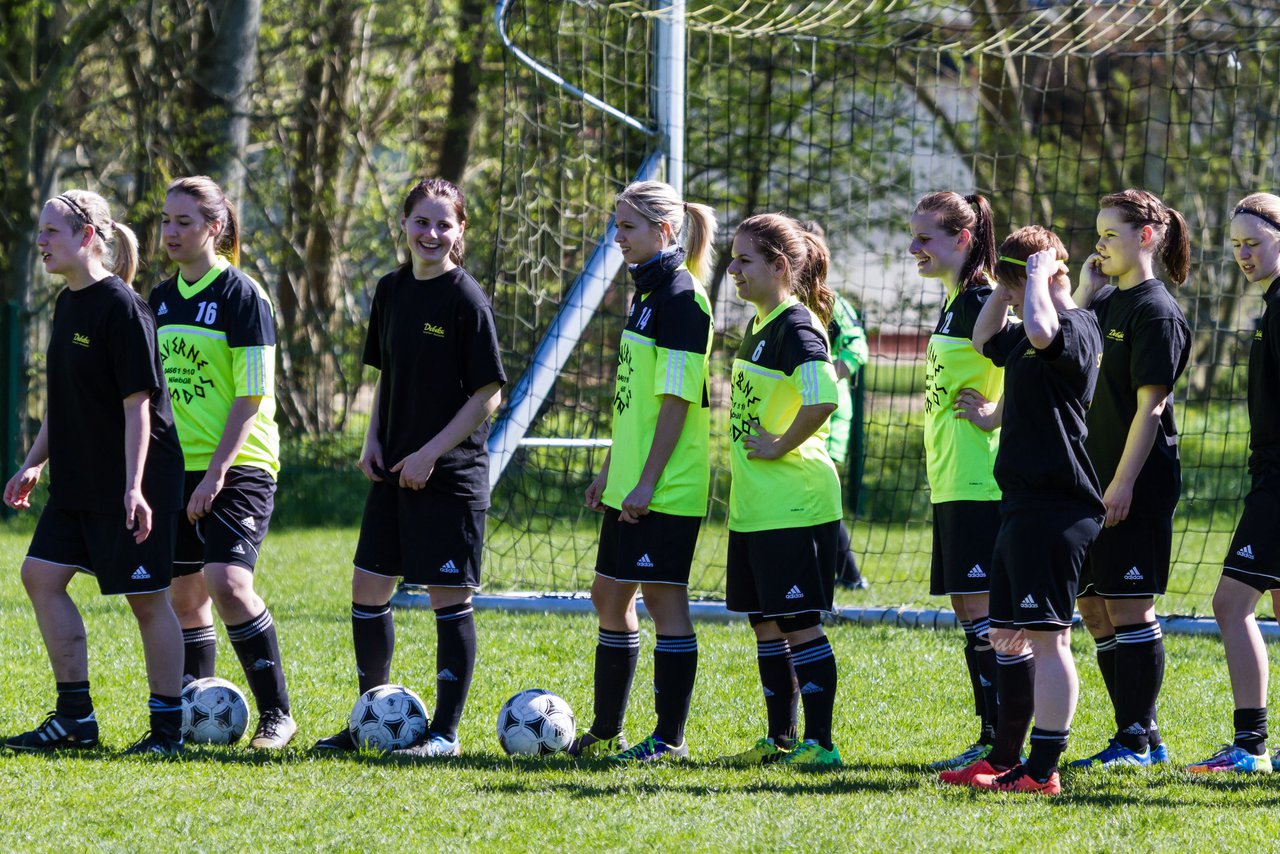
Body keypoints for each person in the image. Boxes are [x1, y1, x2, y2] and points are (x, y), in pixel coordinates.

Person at [314, 178, 506, 756]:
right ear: (404, 225)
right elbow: (386, 375)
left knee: (449, 597)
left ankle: (444, 732)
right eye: (421, 222)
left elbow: (488, 394)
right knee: (368, 587)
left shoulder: (466, 299)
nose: (431, 233)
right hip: (393, 472)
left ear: (460, 231)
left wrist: (430, 454)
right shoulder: (390, 290)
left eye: (443, 224)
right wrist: (373, 439)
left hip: (450, 477)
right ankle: (370, 718)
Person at [3, 190, 187, 756]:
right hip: (79, 478)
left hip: (135, 481)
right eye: (39, 231)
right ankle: (75, 720)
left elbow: (139, 406)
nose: (40, 242)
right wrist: (35, 462)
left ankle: (165, 731)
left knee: (148, 599)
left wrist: (134, 487)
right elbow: (65, 402)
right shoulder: (66, 303)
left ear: (87, 237)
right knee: (40, 576)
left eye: (51, 232)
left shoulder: (123, 307)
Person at [568, 181, 716, 763]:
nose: (618, 236)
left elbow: (678, 402)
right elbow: (634, 400)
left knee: (663, 602)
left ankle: (670, 739)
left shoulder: (683, 298)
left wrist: (649, 482)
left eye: (628, 226)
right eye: (616, 224)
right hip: (631, 484)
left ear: (665, 230)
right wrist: (611, 471)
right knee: (609, 595)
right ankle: (609, 731)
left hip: (666, 487)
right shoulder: (647, 295)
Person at [149, 175, 295, 749]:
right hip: (173, 467)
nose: (171, 232)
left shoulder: (242, 295)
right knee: (185, 597)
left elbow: (250, 395)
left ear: (215, 227)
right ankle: (197, 707)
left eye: (184, 222)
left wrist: (215, 475)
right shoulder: (158, 300)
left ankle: (277, 715)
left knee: (228, 582)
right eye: (165, 221)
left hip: (240, 464)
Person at [962, 233, 1105, 795]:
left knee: (1050, 639)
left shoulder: (1077, 327)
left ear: (1044, 279)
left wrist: (1039, 278)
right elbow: (984, 338)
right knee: (1005, 634)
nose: (1012, 299)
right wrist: (1004, 285)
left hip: (1056, 505)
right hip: (1020, 503)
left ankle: (1044, 769)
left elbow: (1045, 331)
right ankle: (1007, 759)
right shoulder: (1024, 331)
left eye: (1014, 286)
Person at [1069, 189, 1191, 768]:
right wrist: (1084, 291)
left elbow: (1151, 411)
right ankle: (1141, 732)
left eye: (1110, 235)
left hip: (1133, 482)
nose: (1099, 244)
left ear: (1145, 237)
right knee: (1094, 609)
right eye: (1098, 233)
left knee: (1128, 607)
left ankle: (1136, 740)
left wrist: (1121, 484)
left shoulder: (1156, 310)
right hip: (1089, 482)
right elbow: (1058, 351)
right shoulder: (1103, 302)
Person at [716, 213, 843, 768]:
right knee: (766, 621)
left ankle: (821, 743)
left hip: (794, 503)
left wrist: (781, 443)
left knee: (797, 622)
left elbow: (822, 397)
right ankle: (781, 738)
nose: (733, 270)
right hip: (756, 507)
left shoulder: (797, 326)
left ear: (779, 266)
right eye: (733, 258)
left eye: (745, 260)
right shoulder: (761, 324)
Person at [1185, 194, 1280, 773]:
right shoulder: (1270, 305)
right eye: (1237, 246)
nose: (1244, 255)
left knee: (1230, 603)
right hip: (1268, 472)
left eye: (1255, 243)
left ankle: (1249, 747)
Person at [910, 192, 1004, 770]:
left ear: (963, 239)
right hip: (951, 479)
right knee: (970, 613)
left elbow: (1048, 361)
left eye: (925, 238)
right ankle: (991, 733)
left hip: (980, 482)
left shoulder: (985, 301)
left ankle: (1003, 740)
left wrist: (998, 413)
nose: (913, 248)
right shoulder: (955, 303)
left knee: (988, 616)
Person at [798, 221, 870, 591]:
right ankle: (842, 576)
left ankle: (844, 576)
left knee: (818, 495)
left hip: (827, 412)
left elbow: (858, 349)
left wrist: (825, 377)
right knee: (807, 495)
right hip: (794, 411)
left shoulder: (832, 304)